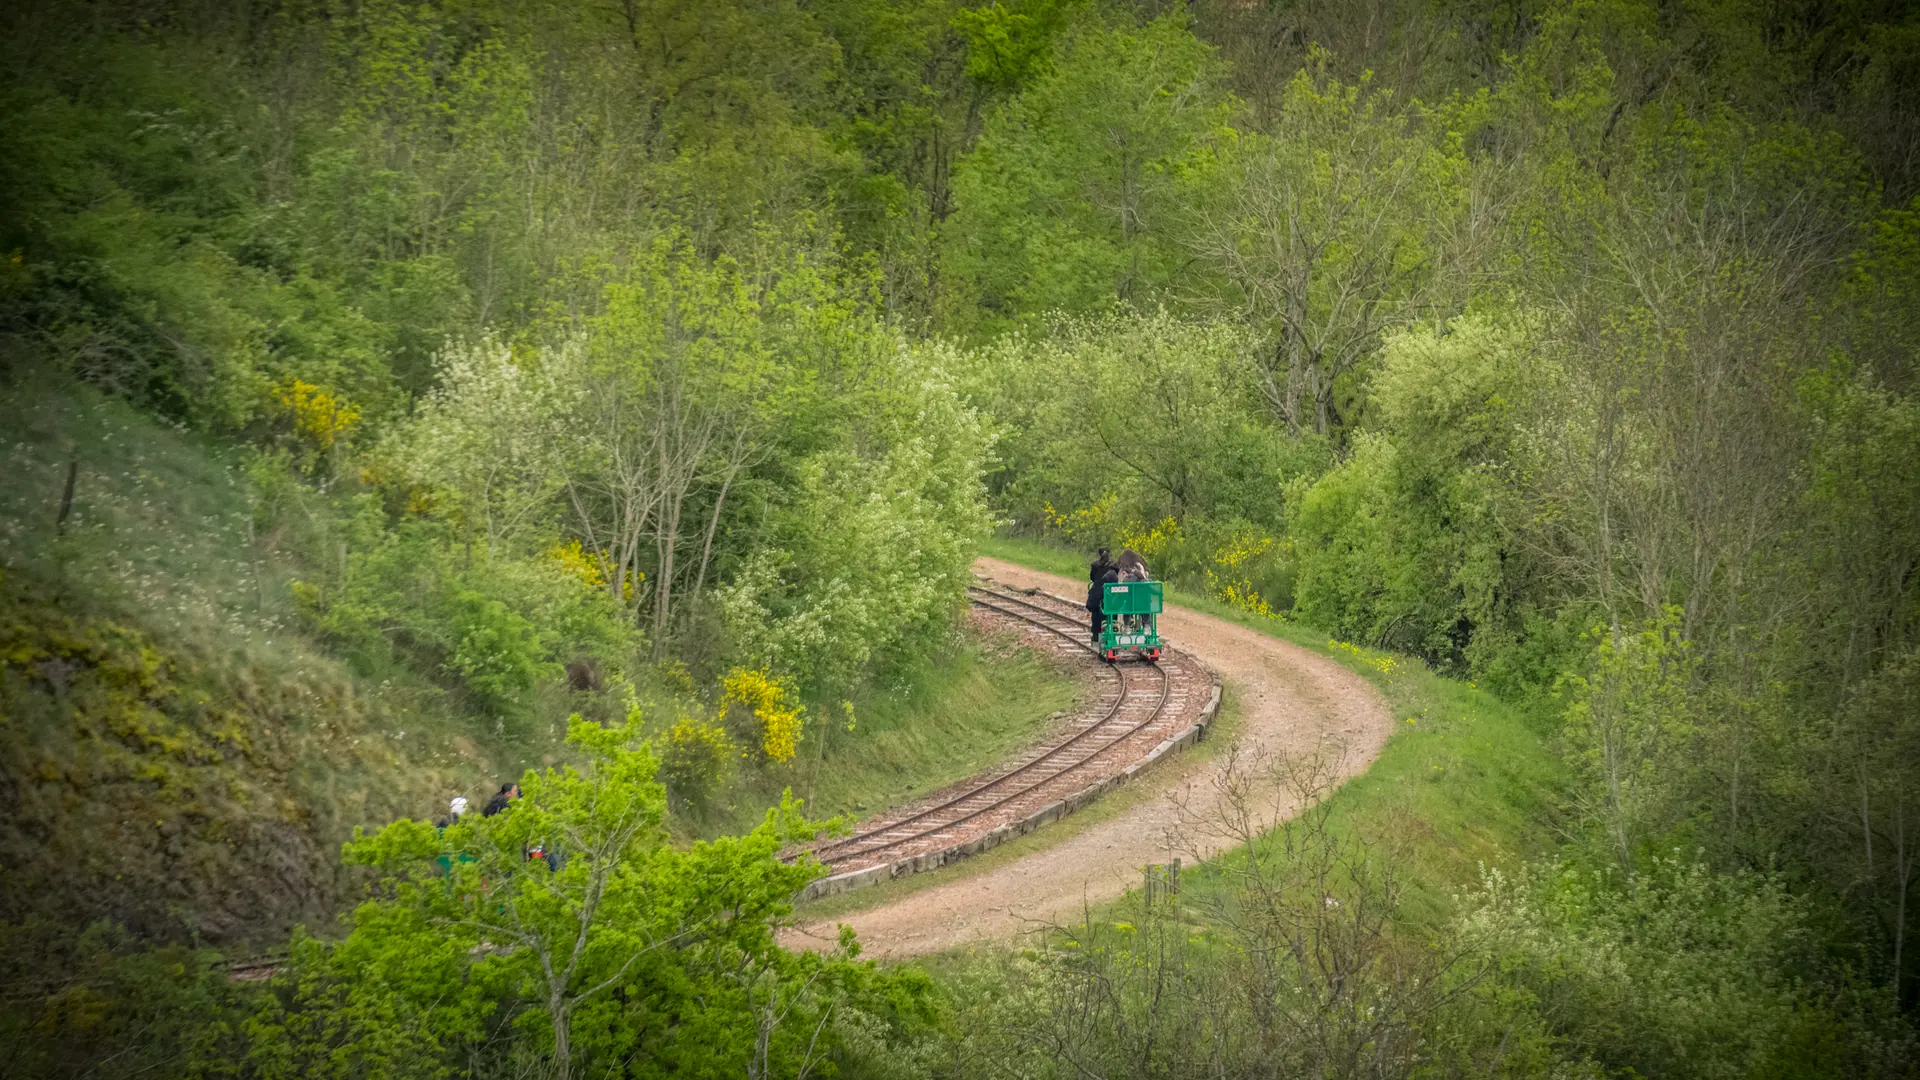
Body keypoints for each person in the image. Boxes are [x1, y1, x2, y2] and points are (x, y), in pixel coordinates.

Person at [1087, 546, 1118, 642]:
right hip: (1112, 594)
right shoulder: (1115, 566)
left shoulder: (1094, 565)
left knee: (1096, 612)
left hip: (1098, 592)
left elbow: (1092, 578)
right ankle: (1113, 627)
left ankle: (1096, 635)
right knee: (1112, 610)